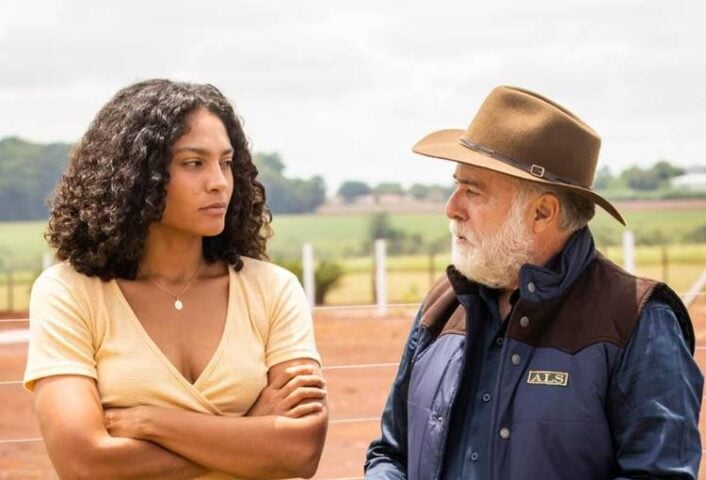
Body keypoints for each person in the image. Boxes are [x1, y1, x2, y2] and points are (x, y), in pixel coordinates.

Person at [365, 86, 703, 479]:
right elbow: (390, 453)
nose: (451, 208)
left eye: (472, 191)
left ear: (542, 212)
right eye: (455, 186)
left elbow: (660, 474)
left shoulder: (636, 320)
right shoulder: (443, 305)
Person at [23, 79, 328, 480]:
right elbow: (83, 463)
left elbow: (299, 451)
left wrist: (150, 423)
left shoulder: (273, 289)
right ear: (136, 177)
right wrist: (249, 429)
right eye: (193, 163)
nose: (219, 181)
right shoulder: (69, 292)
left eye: (226, 161)